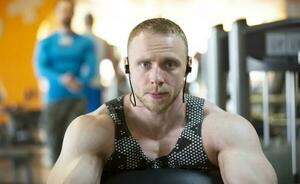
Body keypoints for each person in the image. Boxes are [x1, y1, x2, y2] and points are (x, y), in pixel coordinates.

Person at [47, 18, 277, 183]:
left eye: (169, 64)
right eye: (145, 64)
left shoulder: (222, 128)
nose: (156, 78)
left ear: (188, 65)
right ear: (127, 66)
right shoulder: (94, 129)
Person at [33, 0, 96, 165]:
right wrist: (61, 78)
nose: (65, 13)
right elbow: (40, 68)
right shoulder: (46, 43)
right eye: (62, 10)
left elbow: (91, 68)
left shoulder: (85, 42)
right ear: (56, 12)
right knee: (54, 145)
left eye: (69, 10)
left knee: (76, 146)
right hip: (54, 99)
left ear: (73, 13)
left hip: (77, 98)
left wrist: (80, 81)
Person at [83, 13, 121, 112]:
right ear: (93, 22)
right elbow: (112, 59)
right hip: (95, 82)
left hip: (82, 83)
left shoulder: (79, 40)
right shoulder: (101, 41)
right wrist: (117, 76)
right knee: (93, 114)